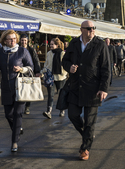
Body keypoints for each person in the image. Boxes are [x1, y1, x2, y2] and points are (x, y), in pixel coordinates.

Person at [62, 20, 111, 161]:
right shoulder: (74, 44)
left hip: (93, 89)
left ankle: (85, 149)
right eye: (89, 28)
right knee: (72, 115)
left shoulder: (100, 45)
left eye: (93, 28)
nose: (92, 30)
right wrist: (69, 67)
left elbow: (106, 69)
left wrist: (103, 88)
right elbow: (65, 61)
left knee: (90, 122)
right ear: (81, 30)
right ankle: (87, 134)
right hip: (75, 87)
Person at [0, 30, 34, 152]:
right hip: (6, 88)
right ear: (4, 41)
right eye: (10, 39)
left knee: (17, 114)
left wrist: (22, 69)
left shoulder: (23, 51)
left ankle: (14, 142)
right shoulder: (0, 53)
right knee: (8, 114)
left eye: (14, 39)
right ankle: (17, 129)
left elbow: (31, 67)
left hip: (20, 87)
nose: (13, 41)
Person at [41, 38, 67, 118]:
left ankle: (62, 109)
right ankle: (49, 111)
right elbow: (47, 64)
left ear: (57, 45)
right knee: (50, 95)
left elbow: (65, 65)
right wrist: (42, 72)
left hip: (60, 77)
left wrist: (65, 73)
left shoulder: (62, 53)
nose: (50, 46)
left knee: (61, 94)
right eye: (50, 44)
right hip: (51, 77)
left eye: (52, 44)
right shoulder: (49, 53)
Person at [19, 34, 41, 115]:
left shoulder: (31, 50)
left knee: (28, 90)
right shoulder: (17, 49)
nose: (23, 42)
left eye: (25, 40)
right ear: (20, 41)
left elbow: (36, 60)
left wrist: (37, 71)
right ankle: (20, 106)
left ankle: (27, 107)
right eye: (22, 40)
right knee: (20, 89)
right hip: (19, 72)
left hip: (29, 72)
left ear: (27, 41)